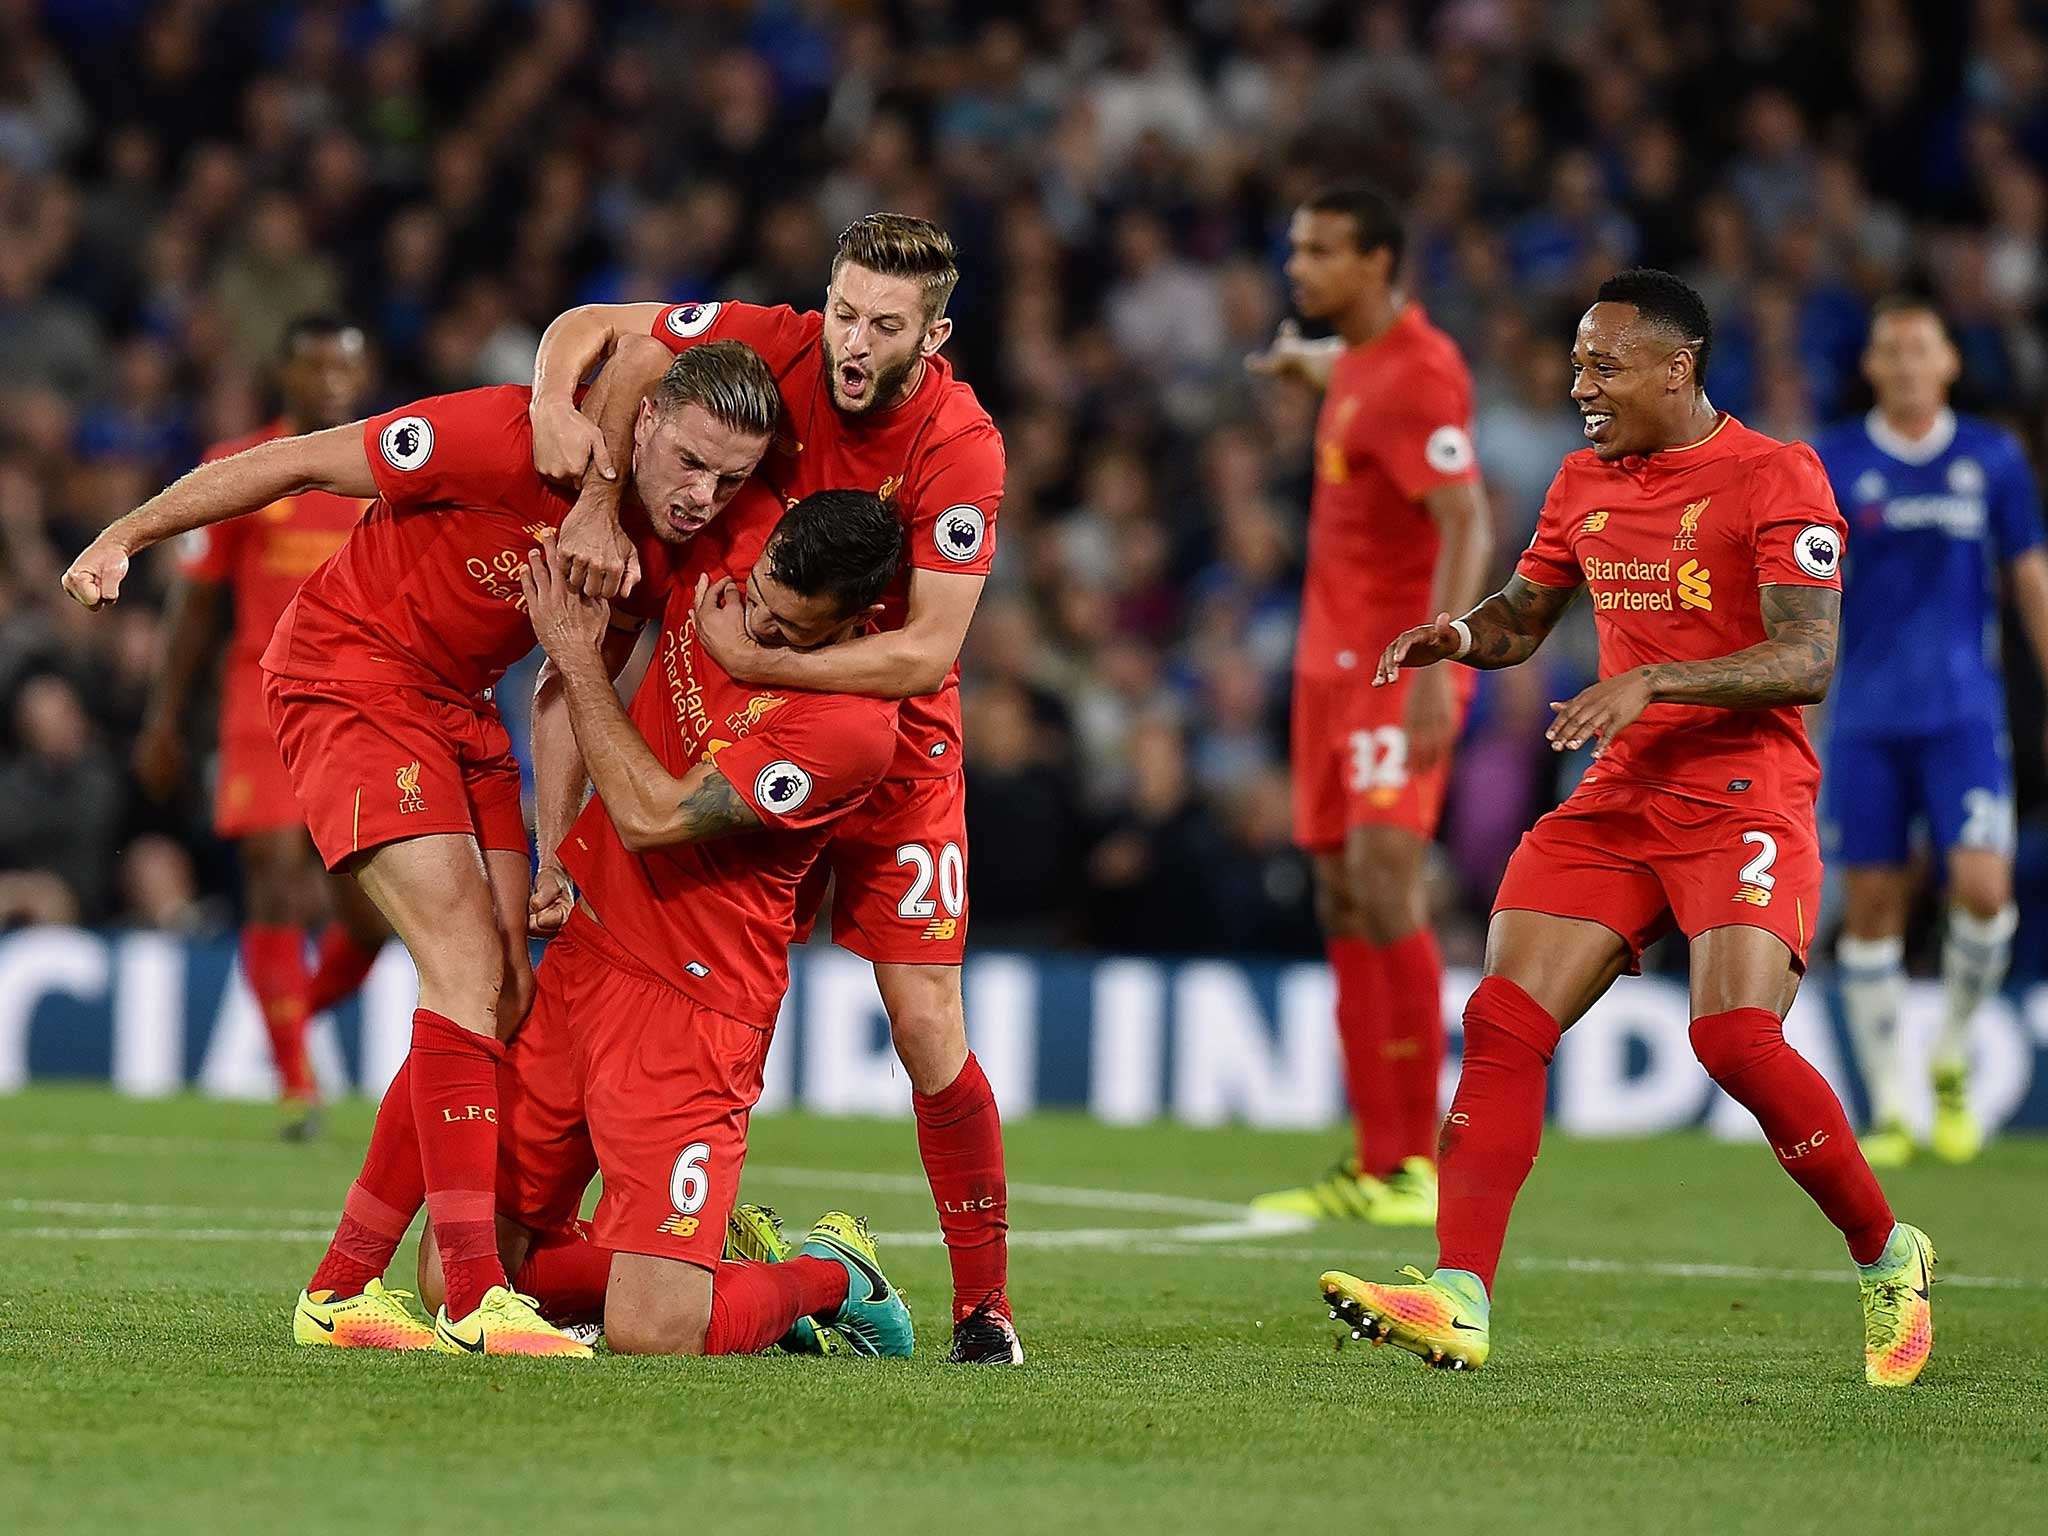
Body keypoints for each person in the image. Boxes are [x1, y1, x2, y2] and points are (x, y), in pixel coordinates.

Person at [62, 342, 783, 1358]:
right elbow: (297, 463)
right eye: (692, 462)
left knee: (502, 999)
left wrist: (551, 849)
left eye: (732, 479)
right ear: (649, 420)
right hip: (351, 674)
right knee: (458, 963)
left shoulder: (660, 551)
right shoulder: (504, 439)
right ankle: (475, 1303)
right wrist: (123, 536)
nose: (703, 495)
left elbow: (557, 687)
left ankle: (340, 1288)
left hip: (460, 713)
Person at [1321, 270, 1935, 1389]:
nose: (1578, 385)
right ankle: (1457, 1295)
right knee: (1503, 1018)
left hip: (1744, 791)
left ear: (1676, 366)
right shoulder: (1579, 480)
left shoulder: (1775, 474)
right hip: (1619, 796)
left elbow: (1806, 660)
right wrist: (1456, 635)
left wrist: (1652, 682)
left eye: (1602, 365)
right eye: (1574, 363)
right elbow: (1525, 610)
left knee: (1732, 1041)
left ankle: (1888, 1254)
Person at [521, 213, 1022, 1365]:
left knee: (926, 1025)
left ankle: (980, 1306)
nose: (851, 342)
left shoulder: (960, 446)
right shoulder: (782, 346)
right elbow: (605, 336)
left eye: (883, 326)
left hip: (878, 732)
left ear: (930, 335)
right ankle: (704, 1260)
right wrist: (594, 489)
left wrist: (764, 661)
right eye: (843, 310)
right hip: (751, 683)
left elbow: (924, 656)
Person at [406, 493, 919, 1359]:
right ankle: (693, 1264)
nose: (753, 625)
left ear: (858, 625)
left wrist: (575, 653)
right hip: (588, 959)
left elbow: (652, 814)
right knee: (460, 1271)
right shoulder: (721, 543)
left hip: (692, 1011)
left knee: (653, 1333)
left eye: (788, 628)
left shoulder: (851, 730)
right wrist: (558, 849)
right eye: (755, 593)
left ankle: (831, 1276)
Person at [1245, 181, 1492, 1225]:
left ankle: (1422, 1162)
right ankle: (1377, 1156)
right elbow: (1344, 370)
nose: (1296, 268)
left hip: (1398, 669)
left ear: (1376, 263)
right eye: (1294, 247)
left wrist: (1440, 661)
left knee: (1388, 885)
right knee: (1341, 896)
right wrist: (1304, 362)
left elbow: (1467, 522)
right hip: (1325, 672)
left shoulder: (1420, 374)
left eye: (1319, 252)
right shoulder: (1356, 363)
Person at [133, 315, 389, 1139]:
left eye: (342, 369)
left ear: (362, 374)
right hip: (263, 698)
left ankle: (287, 1022)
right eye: (314, 369)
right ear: (287, 374)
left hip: (364, 705)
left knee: (368, 918)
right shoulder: (239, 470)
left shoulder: (388, 467)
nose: (329, 385)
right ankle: (295, 1083)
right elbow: (195, 602)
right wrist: (164, 717)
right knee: (276, 872)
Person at [1813, 295, 2048, 1167]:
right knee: (1872, 909)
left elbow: (2029, 576)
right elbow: (1811, 597)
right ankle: (1895, 1106)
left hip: (1964, 716)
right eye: (1891, 350)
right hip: (1867, 718)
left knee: (1984, 889)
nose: (1907, 363)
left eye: (1922, 348)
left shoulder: (1993, 458)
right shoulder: (1834, 460)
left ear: (1948, 362)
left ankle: (1950, 1051)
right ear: (1872, 366)